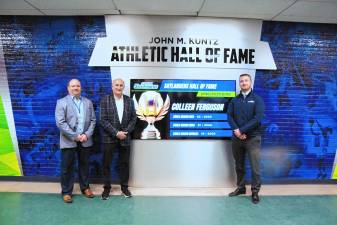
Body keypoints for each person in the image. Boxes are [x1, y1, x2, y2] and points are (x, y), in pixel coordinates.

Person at [55, 79, 96, 203]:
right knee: (67, 167)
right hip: (69, 140)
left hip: (85, 140)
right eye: (73, 86)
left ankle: (85, 188)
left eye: (78, 86)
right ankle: (67, 192)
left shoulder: (88, 102)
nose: (75, 88)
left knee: (84, 166)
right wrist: (75, 136)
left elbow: (93, 120)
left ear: (81, 88)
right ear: (68, 88)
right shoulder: (61, 102)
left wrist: (86, 135)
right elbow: (60, 122)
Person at [227, 73, 265, 204]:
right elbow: (229, 117)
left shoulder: (257, 99)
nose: (243, 83)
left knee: (255, 167)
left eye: (246, 81)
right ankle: (241, 188)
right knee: (239, 165)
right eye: (241, 81)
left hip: (252, 138)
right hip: (237, 139)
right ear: (239, 83)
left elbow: (258, 118)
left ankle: (255, 191)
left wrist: (241, 130)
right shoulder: (234, 100)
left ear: (250, 82)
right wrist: (237, 131)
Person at [100, 78, 137, 200]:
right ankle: (106, 188)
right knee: (106, 164)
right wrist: (116, 133)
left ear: (123, 87)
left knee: (124, 164)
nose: (119, 87)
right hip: (109, 138)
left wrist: (125, 132)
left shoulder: (129, 101)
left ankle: (124, 188)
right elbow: (103, 120)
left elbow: (133, 119)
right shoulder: (105, 100)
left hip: (125, 138)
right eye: (116, 85)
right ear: (112, 86)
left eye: (121, 85)